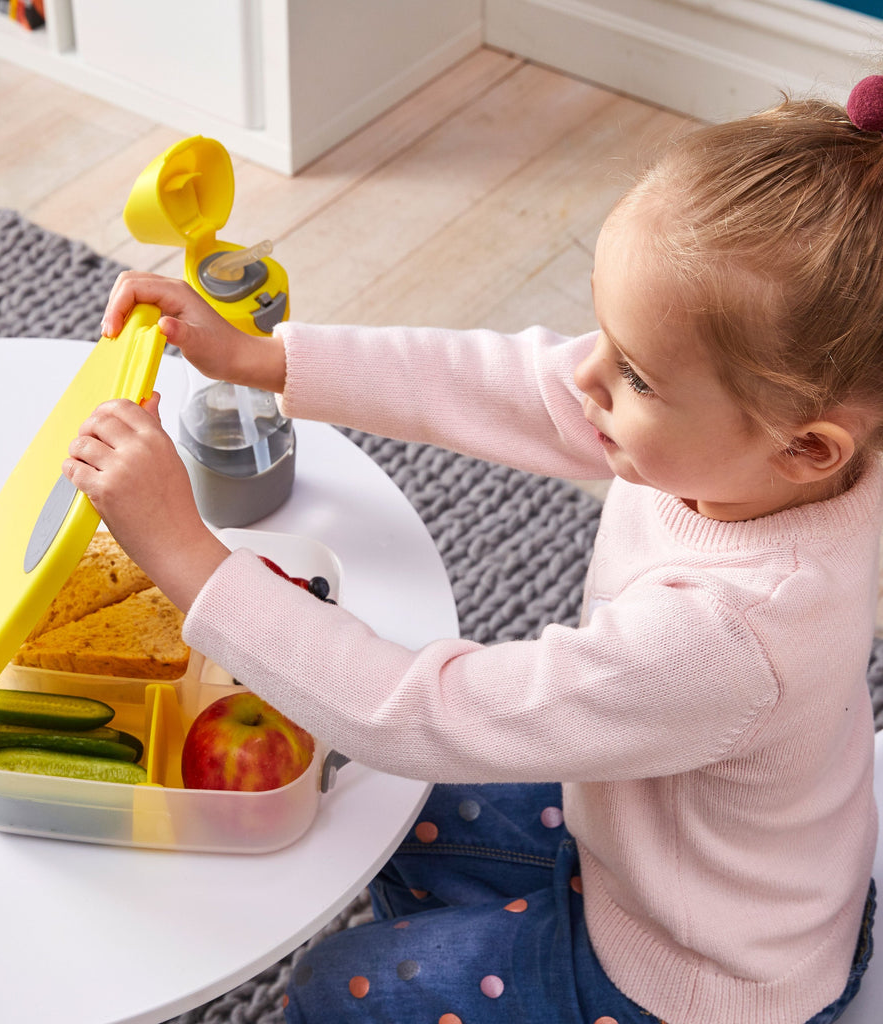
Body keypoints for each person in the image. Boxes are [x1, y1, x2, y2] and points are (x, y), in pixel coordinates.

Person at [63, 79, 883, 1024]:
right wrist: (268, 358)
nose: (583, 375)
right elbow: (514, 381)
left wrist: (183, 551)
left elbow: (422, 712)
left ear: (804, 443)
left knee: (338, 991)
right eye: (604, 335)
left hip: (693, 977)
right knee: (390, 813)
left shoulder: (729, 634)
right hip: (659, 836)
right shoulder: (768, 461)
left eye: (633, 372)